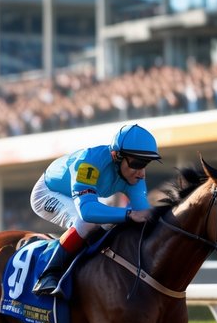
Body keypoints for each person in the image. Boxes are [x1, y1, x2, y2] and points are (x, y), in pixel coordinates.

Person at [28, 122, 158, 296]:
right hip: (48, 192)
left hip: (80, 198)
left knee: (111, 225)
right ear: (116, 156)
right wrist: (128, 214)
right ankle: (48, 274)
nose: (141, 173)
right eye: (137, 163)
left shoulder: (135, 176)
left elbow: (143, 216)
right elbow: (87, 211)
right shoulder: (88, 163)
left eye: (145, 164)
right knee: (88, 223)